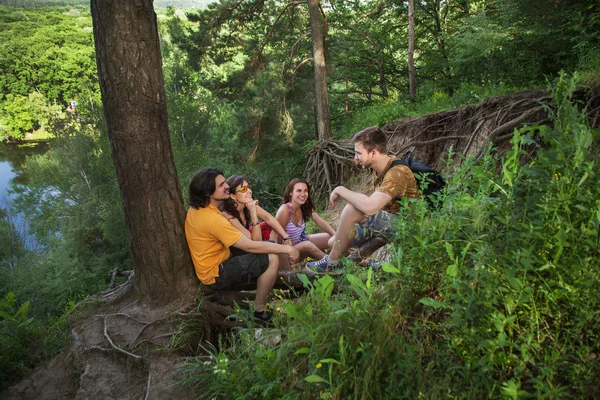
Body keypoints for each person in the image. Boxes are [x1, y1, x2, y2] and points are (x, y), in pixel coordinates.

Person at [185, 168, 299, 322]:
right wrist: (287, 248)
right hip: (216, 274)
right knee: (272, 256)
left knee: (270, 245)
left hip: (219, 259)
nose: (226, 186)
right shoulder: (214, 219)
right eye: (221, 185)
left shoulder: (199, 209)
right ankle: (260, 310)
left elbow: (256, 239)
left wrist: (283, 241)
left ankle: (289, 285)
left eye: (225, 182)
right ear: (208, 193)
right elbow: (250, 246)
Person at [306, 126, 420, 272]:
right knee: (332, 242)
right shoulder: (379, 169)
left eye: (358, 153)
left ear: (373, 153)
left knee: (352, 209)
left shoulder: (397, 173)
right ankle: (364, 265)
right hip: (388, 220)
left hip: (407, 227)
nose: (355, 158)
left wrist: (340, 189)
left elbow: (370, 206)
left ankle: (331, 264)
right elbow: (373, 204)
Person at [220, 176, 291, 254]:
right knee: (272, 253)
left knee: (271, 234)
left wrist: (286, 237)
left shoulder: (247, 204)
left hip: (251, 249)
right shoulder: (229, 216)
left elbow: (269, 218)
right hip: (237, 255)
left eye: (248, 187)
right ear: (233, 196)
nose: (249, 191)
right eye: (244, 189)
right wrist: (253, 214)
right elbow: (256, 242)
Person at [275, 178, 335, 266]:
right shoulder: (284, 211)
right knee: (307, 245)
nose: (303, 194)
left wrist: (336, 236)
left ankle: (347, 254)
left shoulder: (304, 206)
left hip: (301, 241)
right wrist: (284, 256)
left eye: (305, 191)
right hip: (287, 251)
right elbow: (277, 240)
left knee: (330, 238)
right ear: (291, 193)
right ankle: (333, 263)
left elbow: (321, 222)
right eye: (299, 191)